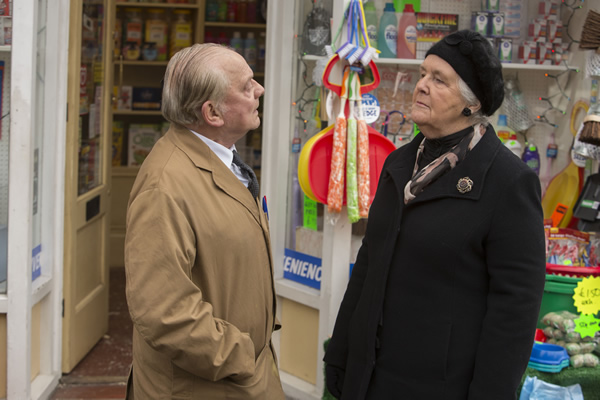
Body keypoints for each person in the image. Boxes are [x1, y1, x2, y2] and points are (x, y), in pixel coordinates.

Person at [324, 30, 546, 400]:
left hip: (439, 386)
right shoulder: (399, 163)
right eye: (423, 74)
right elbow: (368, 265)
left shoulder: (508, 181)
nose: (421, 86)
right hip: (370, 378)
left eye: (438, 80)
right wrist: (342, 354)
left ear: (471, 104)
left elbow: (515, 308)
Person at [124, 43, 284, 399]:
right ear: (212, 113)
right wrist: (243, 355)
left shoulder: (220, 156)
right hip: (204, 385)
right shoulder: (164, 187)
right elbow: (164, 313)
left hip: (240, 375)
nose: (259, 90)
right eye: (246, 86)